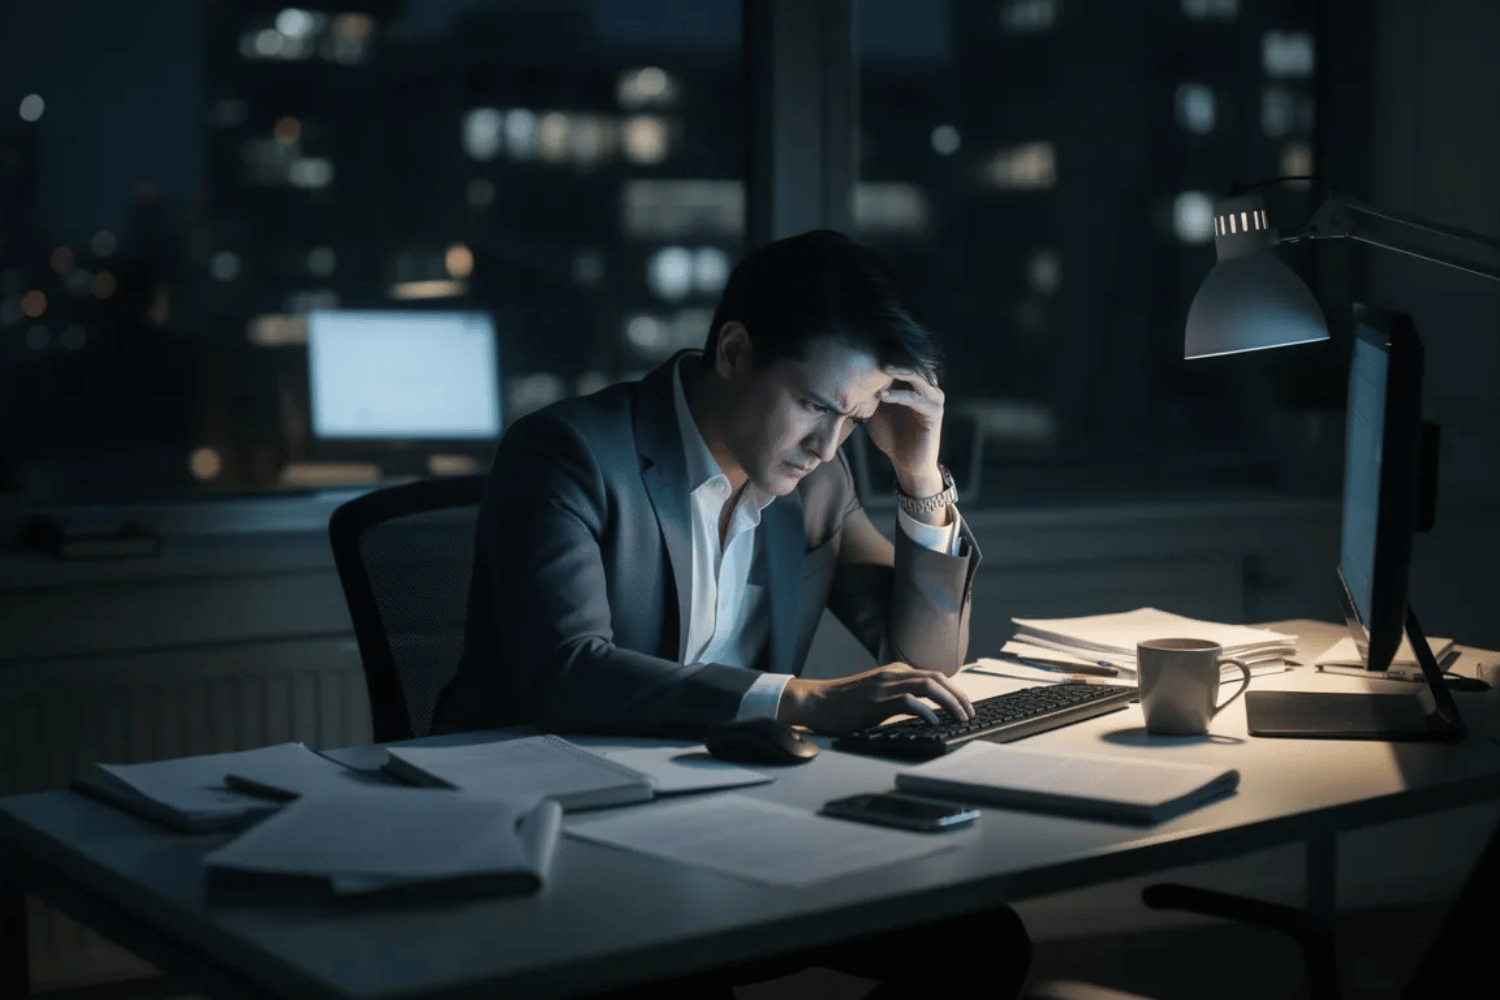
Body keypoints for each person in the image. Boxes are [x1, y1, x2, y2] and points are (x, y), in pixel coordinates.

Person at [430, 230, 1030, 999]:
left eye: (853, 418)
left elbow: (926, 658)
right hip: (561, 826)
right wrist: (799, 699)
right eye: (814, 406)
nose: (827, 446)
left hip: (729, 816)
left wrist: (919, 476)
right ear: (736, 351)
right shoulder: (568, 451)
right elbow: (566, 673)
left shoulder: (819, 485)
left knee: (981, 940)